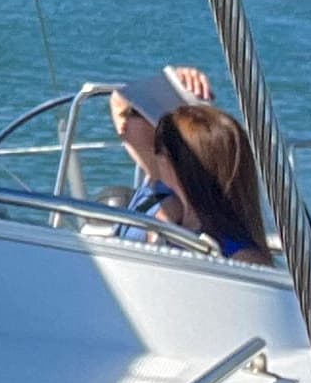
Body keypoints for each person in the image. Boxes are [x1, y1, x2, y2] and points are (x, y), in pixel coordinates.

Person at [103, 66, 276, 264]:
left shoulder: (241, 255)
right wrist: (172, 81)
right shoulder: (161, 193)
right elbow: (119, 100)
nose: (123, 124)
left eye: (134, 112)